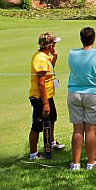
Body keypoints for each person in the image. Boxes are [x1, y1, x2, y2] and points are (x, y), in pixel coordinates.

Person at [67, 26, 96, 170]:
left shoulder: (72, 54)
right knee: (91, 129)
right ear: (93, 38)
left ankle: (76, 163)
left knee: (78, 129)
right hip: (94, 93)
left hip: (74, 93)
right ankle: (91, 162)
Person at [29, 32, 65, 160]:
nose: (55, 45)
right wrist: (45, 104)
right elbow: (40, 83)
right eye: (54, 43)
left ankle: (51, 142)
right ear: (50, 45)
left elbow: (50, 70)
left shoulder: (46, 57)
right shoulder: (40, 59)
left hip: (48, 95)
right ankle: (33, 153)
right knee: (37, 125)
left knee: (52, 118)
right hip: (40, 98)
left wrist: (55, 56)